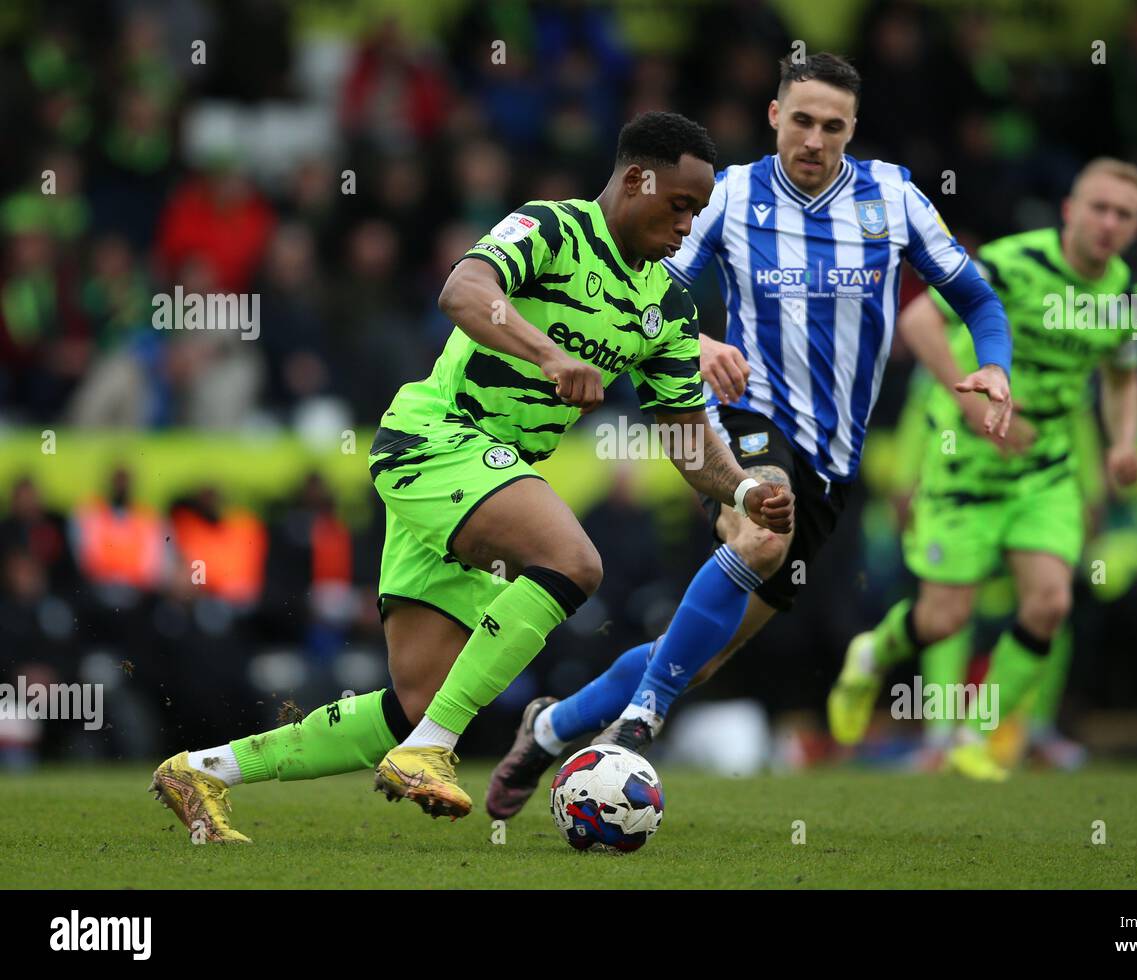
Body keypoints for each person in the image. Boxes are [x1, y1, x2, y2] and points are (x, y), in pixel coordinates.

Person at [148, 112, 793, 842]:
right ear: (636, 178)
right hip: (437, 438)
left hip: (485, 476)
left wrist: (742, 488)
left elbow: (684, 434)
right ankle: (430, 752)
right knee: (574, 562)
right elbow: (462, 288)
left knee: (414, 698)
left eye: (698, 213)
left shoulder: (670, 306)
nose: (686, 226)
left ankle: (203, 770)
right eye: (679, 205)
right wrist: (548, 353)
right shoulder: (552, 229)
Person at [487, 52, 1013, 821]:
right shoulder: (731, 196)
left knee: (700, 654)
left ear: (852, 130)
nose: (815, 138)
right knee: (764, 528)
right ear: (775, 117)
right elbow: (654, 284)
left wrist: (994, 367)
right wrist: (695, 341)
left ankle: (553, 725)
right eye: (801, 120)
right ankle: (640, 724)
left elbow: (975, 297)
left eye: (833, 126)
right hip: (744, 418)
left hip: (834, 459)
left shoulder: (893, 198)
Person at [828, 157, 1137, 781]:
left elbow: (1123, 375)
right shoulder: (1010, 264)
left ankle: (978, 736)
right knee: (944, 617)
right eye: (1099, 208)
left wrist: (1122, 443)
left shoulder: (1127, 295)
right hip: (963, 468)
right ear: (1070, 211)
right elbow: (919, 318)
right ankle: (871, 654)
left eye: (1125, 214)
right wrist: (967, 405)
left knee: (1050, 602)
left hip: (1043, 469)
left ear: (1136, 226)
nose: (1109, 223)